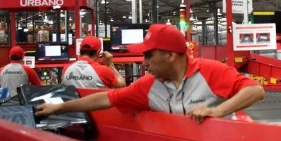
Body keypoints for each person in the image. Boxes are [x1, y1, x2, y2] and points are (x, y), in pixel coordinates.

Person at [36, 24, 265, 123]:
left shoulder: (210, 71)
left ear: (171, 55)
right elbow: (106, 98)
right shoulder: (148, 85)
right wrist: (60, 107)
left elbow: (255, 90)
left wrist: (217, 111)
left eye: (148, 56)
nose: (144, 63)